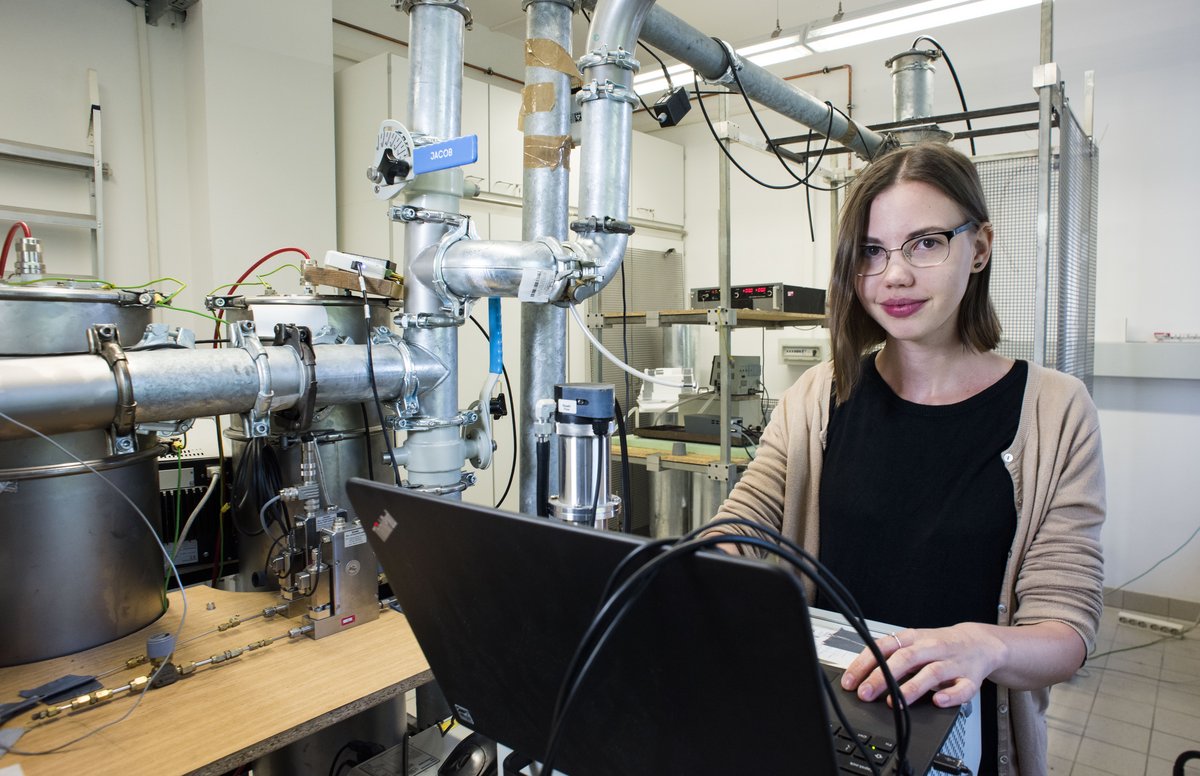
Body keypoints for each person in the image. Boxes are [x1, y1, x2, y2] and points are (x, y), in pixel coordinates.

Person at [703, 142, 1105, 775]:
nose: (893, 275)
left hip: (964, 743)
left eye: (925, 242)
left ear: (979, 248)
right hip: (828, 727)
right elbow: (742, 527)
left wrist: (984, 646)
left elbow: (1068, 631)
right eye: (871, 251)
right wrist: (698, 572)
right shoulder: (819, 397)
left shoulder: (1054, 410)